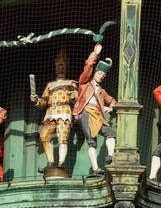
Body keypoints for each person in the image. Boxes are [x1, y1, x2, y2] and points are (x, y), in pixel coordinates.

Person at [31, 48, 78, 171]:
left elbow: (76, 97)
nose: (60, 66)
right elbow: (44, 101)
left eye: (63, 64)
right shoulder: (50, 85)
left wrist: (74, 95)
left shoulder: (71, 83)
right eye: (58, 64)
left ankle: (61, 164)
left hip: (64, 111)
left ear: (67, 66)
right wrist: (37, 100)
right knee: (44, 135)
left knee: (63, 137)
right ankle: (50, 162)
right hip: (51, 112)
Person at [73, 43, 116, 174]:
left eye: (104, 74)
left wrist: (111, 107)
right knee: (92, 141)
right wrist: (95, 54)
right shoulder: (84, 84)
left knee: (111, 133)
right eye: (100, 73)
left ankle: (110, 155)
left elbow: (112, 100)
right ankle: (95, 168)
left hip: (98, 115)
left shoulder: (102, 91)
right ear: (95, 72)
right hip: (85, 112)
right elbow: (87, 68)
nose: (101, 76)